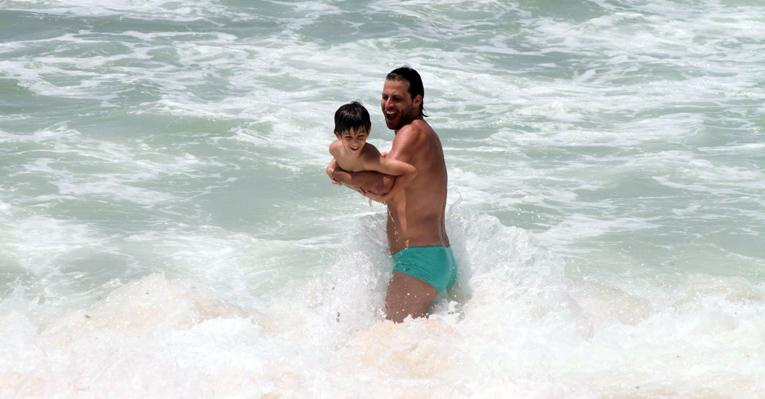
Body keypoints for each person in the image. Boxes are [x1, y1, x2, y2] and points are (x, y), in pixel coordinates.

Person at [326, 67, 456, 323]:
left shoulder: (412, 132)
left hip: (419, 262)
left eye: (397, 98)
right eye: (385, 97)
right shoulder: (420, 134)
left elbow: (383, 186)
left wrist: (342, 177)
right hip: (434, 259)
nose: (388, 105)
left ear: (416, 100)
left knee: (387, 340)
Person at [327, 101, 417, 237]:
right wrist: (331, 169)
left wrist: (389, 195)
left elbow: (410, 171)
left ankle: (349, 178)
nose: (355, 143)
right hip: (360, 175)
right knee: (330, 171)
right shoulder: (334, 148)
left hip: (379, 179)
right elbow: (336, 158)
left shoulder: (369, 160)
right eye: (348, 137)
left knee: (384, 186)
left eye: (360, 137)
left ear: (368, 132)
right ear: (338, 135)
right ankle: (347, 177)